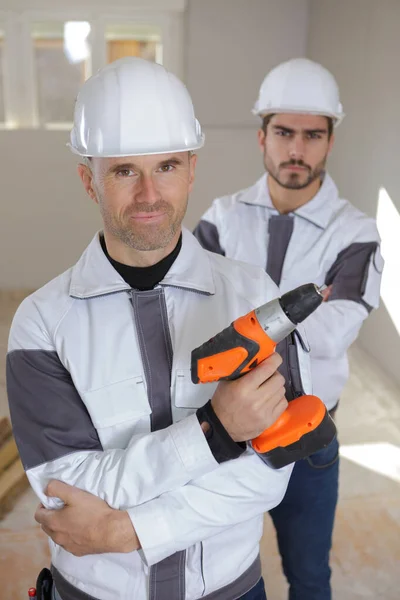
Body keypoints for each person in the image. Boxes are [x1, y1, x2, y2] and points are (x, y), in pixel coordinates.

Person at [7, 57, 312, 600]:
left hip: (231, 590)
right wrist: (215, 432)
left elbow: (269, 469)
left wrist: (127, 530)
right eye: (125, 170)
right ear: (89, 179)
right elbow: (66, 492)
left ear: (192, 169)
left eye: (167, 166)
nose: (149, 194)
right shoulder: (41, 324)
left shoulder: (254, 297)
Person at [194, 57, 384, 600]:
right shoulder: (222, 219)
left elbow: (330, 334)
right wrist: (304, 303)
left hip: (309, 441)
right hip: (232, 434)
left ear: (329, 141)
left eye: (312, 135)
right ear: (261, 136)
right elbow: (198, 325)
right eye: (283, 132)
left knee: (308, 578)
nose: (296, 150)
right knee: (225, 581)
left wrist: (244, 320)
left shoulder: (356, 234)